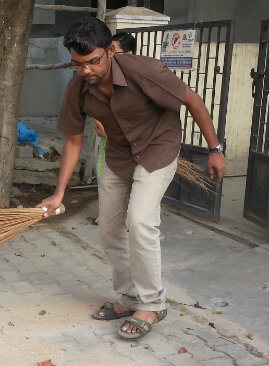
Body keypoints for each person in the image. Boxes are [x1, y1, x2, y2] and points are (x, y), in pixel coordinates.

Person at [37, 18, 226, 340]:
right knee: (110, 229)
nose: (85, 71)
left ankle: (153, 303)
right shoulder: (78, 87)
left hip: (158, 148)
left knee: (140, 222)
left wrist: (215, 148)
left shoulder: (145, 71)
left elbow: (192, 101)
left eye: (92, 62)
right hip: (119, 155)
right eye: (77, 64)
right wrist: (59, 194)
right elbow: (73, 140)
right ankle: (129, 299)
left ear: (110, 51)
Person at [91, 31, 137, 225]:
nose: (109, 55)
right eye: (107, 50)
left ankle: (133, 219)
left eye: (113, 51)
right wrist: (99, 123)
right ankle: (108, 215)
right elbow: (93, 101)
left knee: (135, 180)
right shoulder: (104, 74)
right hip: (108, 140)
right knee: (106, 176)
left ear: (129, 54)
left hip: (134, 143)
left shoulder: (139, 77)